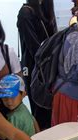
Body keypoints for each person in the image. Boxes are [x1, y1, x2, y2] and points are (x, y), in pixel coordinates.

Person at [17, 0, 57, 130]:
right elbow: (35, 48)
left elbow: (54, 38)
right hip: (35, 69)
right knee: (40, 109)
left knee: (51, 108)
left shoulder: (46, 9)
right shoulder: (26, 13)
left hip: (49, 67)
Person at [0, 74, 40, 140]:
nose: (9, 102)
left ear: (23, 94)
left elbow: (3, 135)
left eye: (13, 97)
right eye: (5, 98)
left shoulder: (15, 117)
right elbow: (34, 121)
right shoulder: (23, 107)